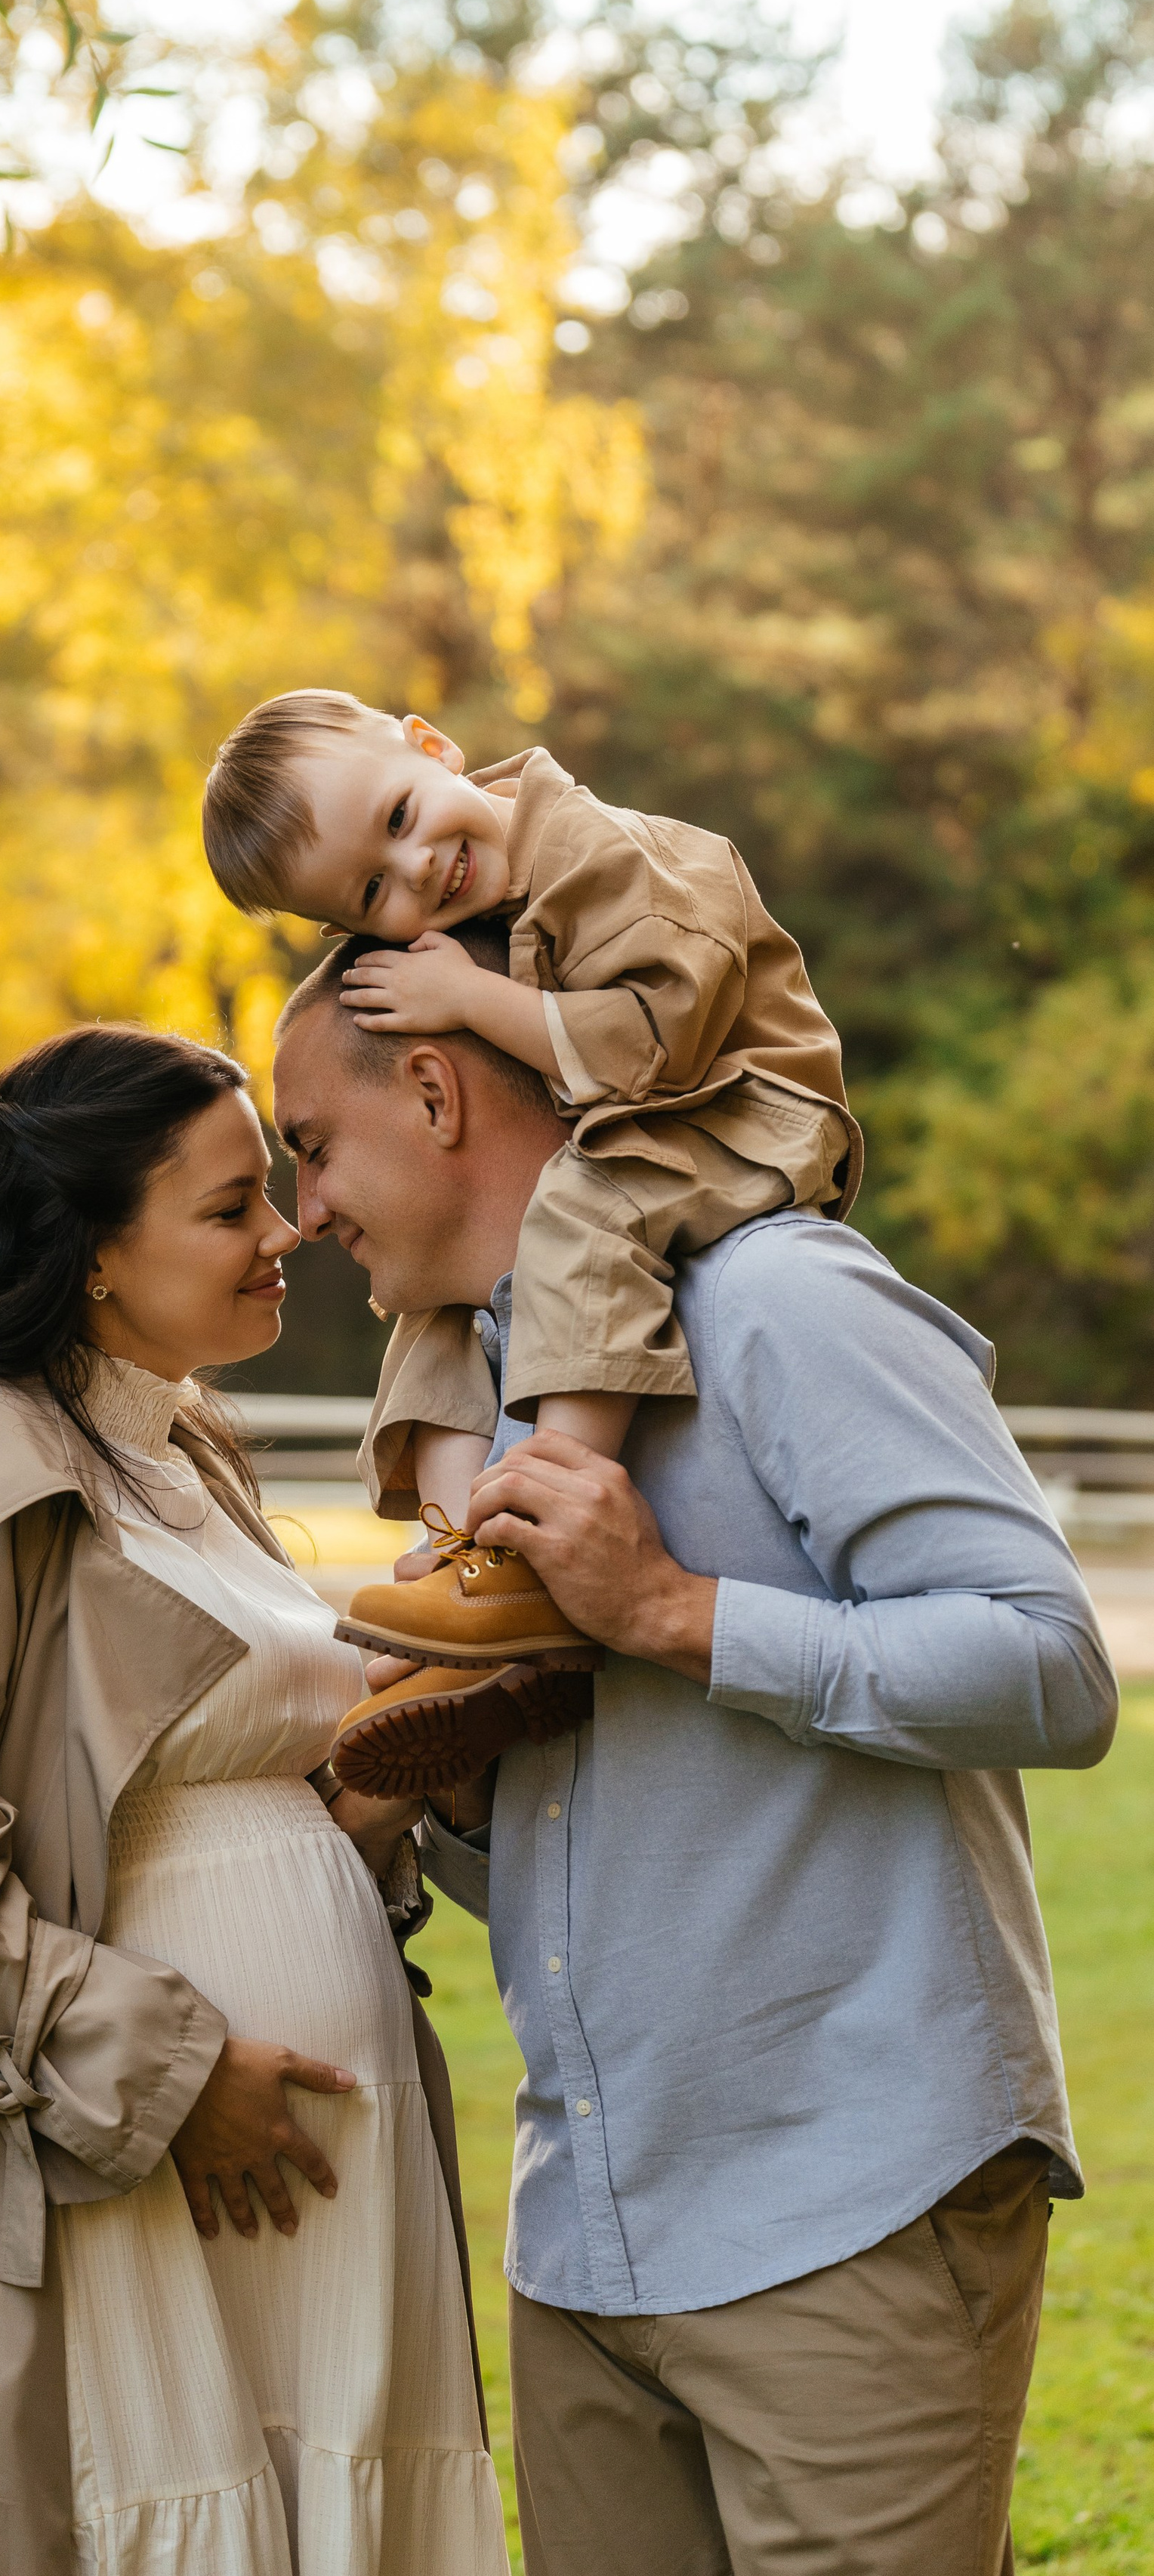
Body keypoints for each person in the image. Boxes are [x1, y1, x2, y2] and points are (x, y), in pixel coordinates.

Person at [270, 934, 1119, 2576]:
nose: (305, 1210)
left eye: (310, 1145)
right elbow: (594, 1828)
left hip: (848, 2210)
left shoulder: (779, 1300)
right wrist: (437, 1793)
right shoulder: (482, 1408)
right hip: (587, 2237)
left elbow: (1050, 1664)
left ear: (434, 1089)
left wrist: (669, 1610)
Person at [0, 1026, 508, 2576]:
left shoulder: (180, 1455)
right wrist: (165, 2074)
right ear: (97, 1251)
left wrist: (390, 1762)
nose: (283, 1231)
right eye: (230, 1207)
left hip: (314, 2183)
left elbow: (219, 1802)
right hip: (119, 2167)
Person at [202, 692, 856, 1681]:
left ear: (432, 745)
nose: (419, 866)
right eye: (373, 891)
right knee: (437, 1299)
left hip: (740, 1105)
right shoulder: (470, 904)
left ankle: (547, 1517)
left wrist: (469, 996)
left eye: (400, 817)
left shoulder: (615, 858)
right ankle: (471, 1561)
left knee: (587, 1209)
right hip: (631, 1121)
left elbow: (653, 1050)